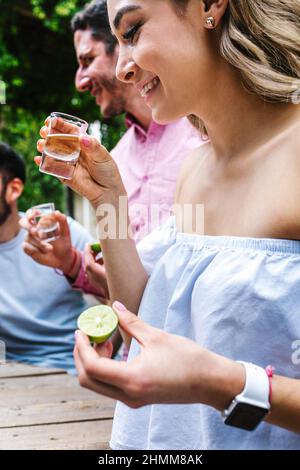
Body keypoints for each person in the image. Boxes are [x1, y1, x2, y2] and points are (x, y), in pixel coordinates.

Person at [35, 0, 300, 450]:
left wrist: (217, 382)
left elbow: (206, 372)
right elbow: (152, 317)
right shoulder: (196, 168)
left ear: (212, 7)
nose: (122, 68)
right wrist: (107, 199)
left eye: (133, 31)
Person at [24, 0, 203, 356]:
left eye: (87, 60)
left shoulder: (207, 134)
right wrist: (72, 263)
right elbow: (129, 289)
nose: (79, 81)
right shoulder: (115, 158)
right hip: (137, 362)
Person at [0, 142, 96, 374]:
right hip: (11, 376)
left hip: (70, 371)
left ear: (14, 189)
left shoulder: (61, 234)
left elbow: (120, 300)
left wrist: (100, 361)